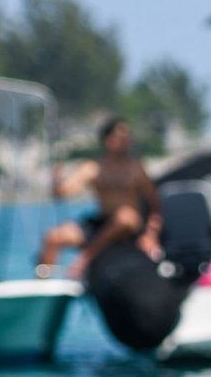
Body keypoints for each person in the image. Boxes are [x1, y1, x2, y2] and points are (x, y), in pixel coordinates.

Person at [35, 117, 162, 280]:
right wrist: (57, 180)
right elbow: (62, 193)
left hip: (129, 228)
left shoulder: (136, 168)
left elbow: (155, 204)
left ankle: (86, 258)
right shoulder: (93, 168)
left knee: (126, 217)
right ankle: (43, 284)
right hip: (103, 223)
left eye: (127, 137)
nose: (126, 141)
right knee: (53, 237)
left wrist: (151, 234)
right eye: (121, 137)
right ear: (108, 140)